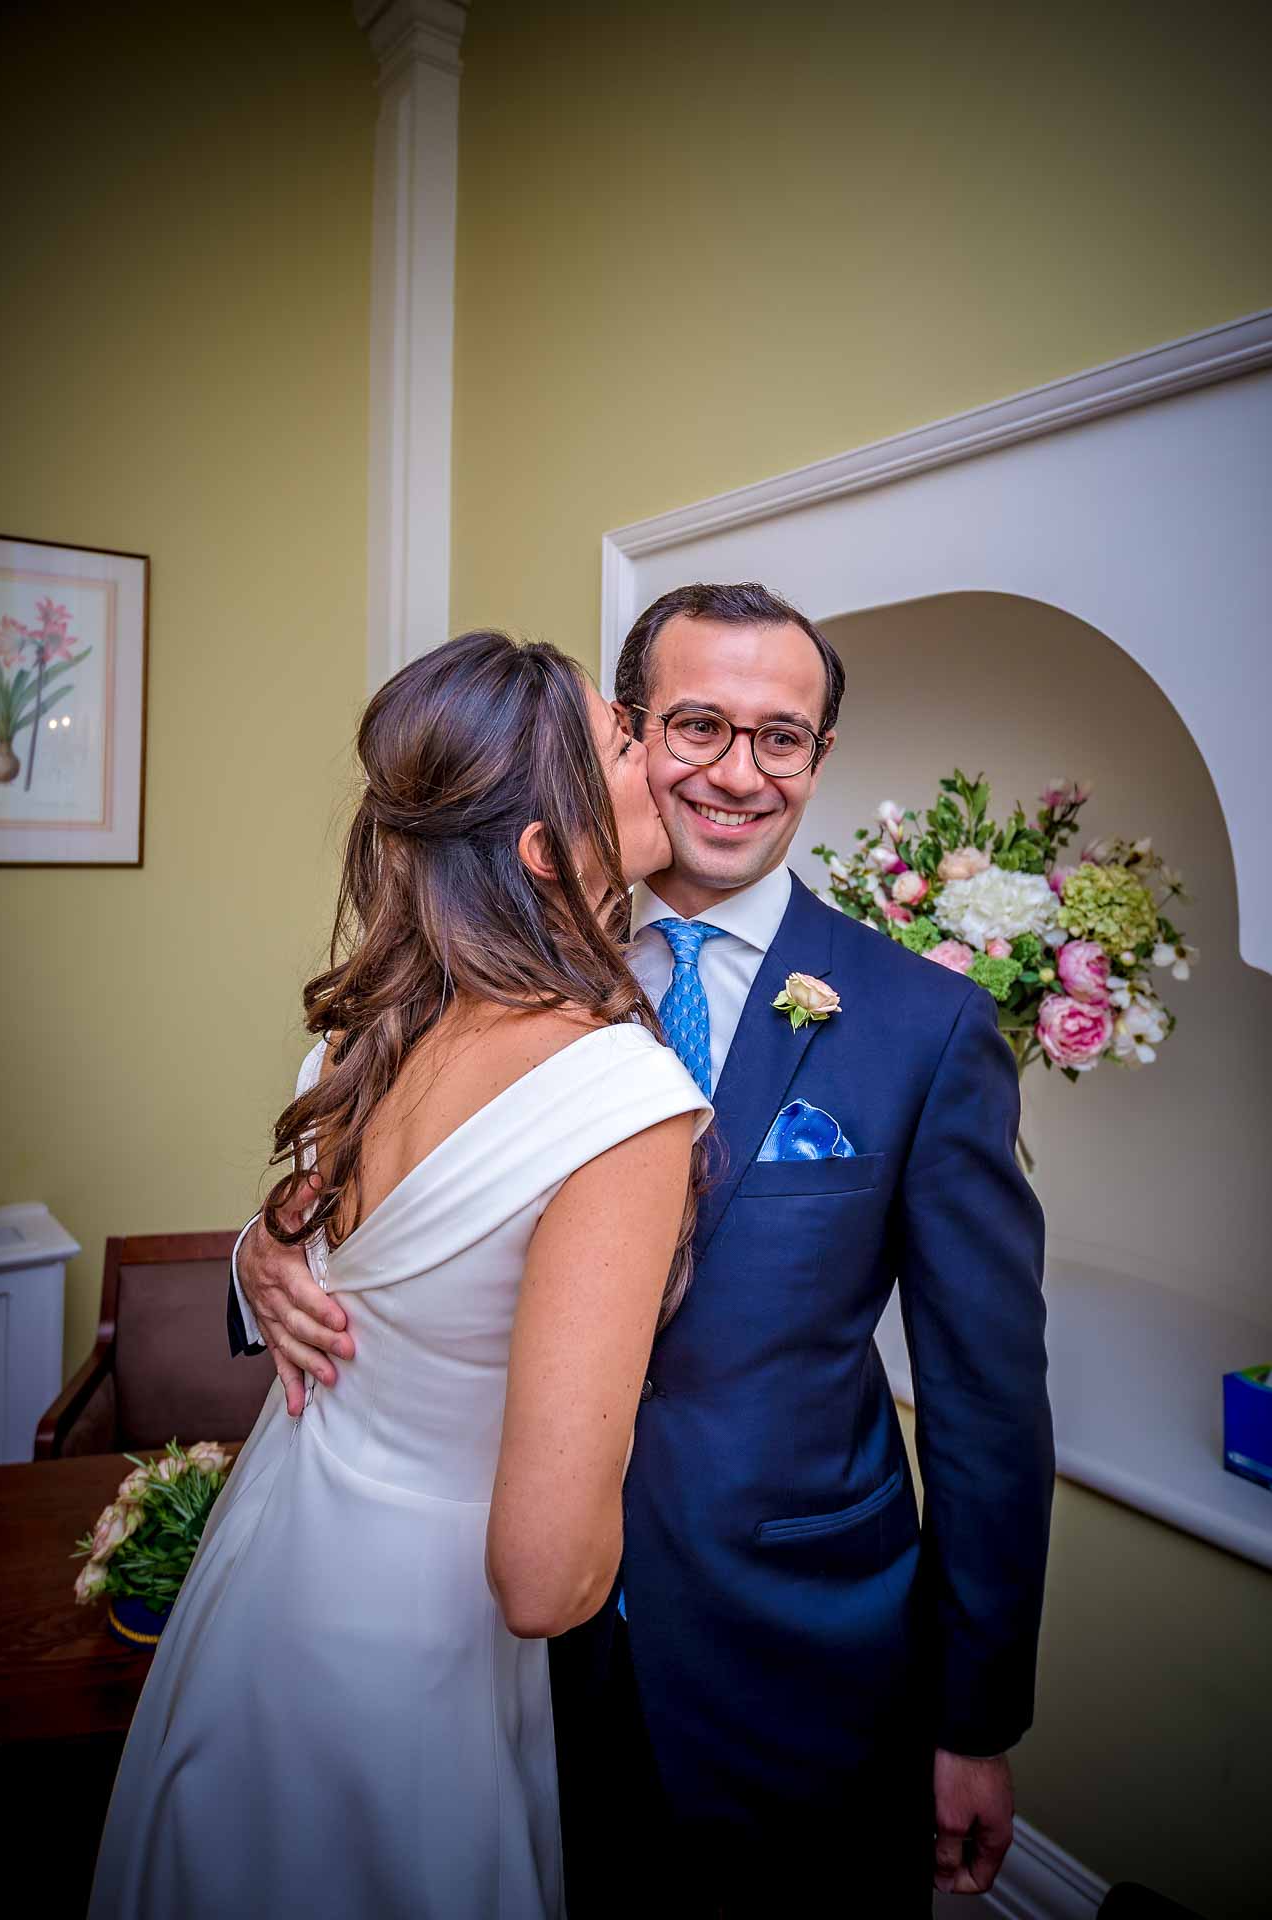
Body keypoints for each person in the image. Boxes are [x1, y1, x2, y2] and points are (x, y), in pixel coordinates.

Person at [236, 583, 1054, 1918]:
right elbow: (383, 1207)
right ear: (618, 731)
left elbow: (985, 1401)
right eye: (693, 726)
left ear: (820, 758)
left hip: (791, 1646)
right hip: (492, 1646)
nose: (738, 774)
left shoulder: (925, 1026)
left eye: (780, 737)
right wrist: (258, 1251)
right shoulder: (474, 968)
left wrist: (974, 1717)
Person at [89, 631, 712, 1920]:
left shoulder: (363, 1037)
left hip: (275, 1569)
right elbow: (547, 1580)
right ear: (545, 849)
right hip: (411, 1647)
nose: (658, 754)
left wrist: (274, 1250)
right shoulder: (619, 1094)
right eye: (621, 740)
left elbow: (357, 1264)